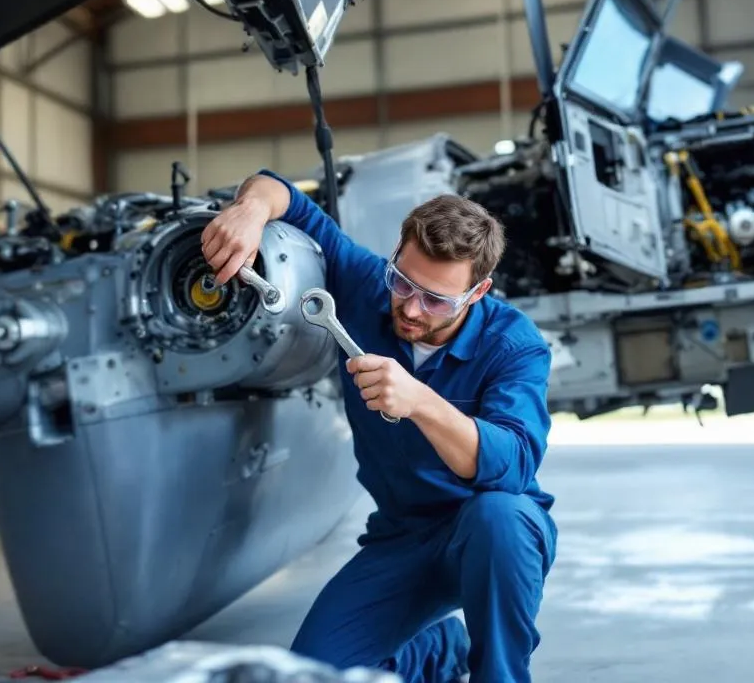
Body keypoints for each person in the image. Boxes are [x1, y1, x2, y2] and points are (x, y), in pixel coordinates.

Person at [201, 169, 558, 683]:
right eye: (403, 282)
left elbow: (512, 466)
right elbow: (280, 191)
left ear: (478, 291)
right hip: (402, 537)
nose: (411, 309)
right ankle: (436, 651)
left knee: (501, 516)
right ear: (395, 256)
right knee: (312, 675)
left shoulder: (514, 345)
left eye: (436, 299)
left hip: (489, 537)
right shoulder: (366, 284)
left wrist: (422, 403)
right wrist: (250, 211)